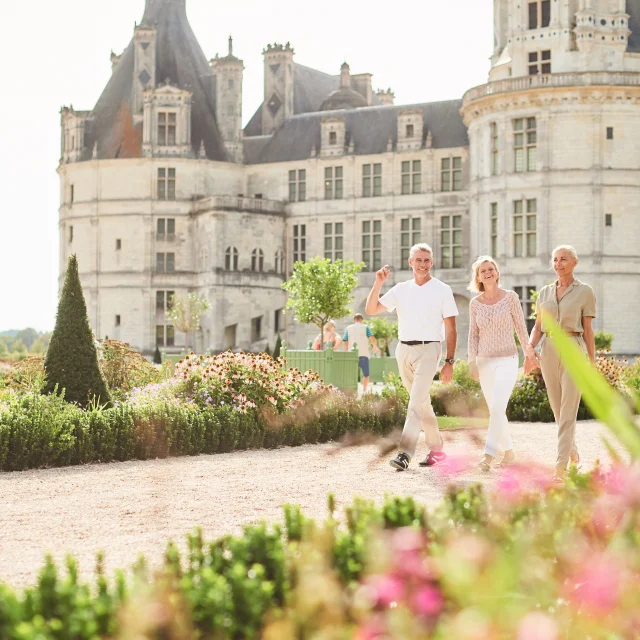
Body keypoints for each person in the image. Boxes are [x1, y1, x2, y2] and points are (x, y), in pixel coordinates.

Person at [365, 243, 458, 470]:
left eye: (426, 260)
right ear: (410, 262)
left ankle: (404, 453)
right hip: (404, 350)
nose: (423, 264)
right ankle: (437, 450)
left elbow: (451, 329)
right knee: (422, 402)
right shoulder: (401, 289)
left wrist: (449, 361)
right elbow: (371, 309)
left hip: (430, 349)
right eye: (418, 260)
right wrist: (378, 282)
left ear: (432, 262)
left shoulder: (442, 290)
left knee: (415, 403)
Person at [527, 245, 596, 480]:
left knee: (568, 410)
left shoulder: (585, 291)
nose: (558, 264)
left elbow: (588, 330)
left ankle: (560, 465)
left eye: (563, 259)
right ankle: (572, 452)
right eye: (555, 259)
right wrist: (529, 347)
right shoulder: (545, 292)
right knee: (557, 409)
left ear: (574, 262)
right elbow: (537, 327)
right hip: (549, 349)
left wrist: (592, 362)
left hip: (574, 348)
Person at [467, 256, 536, 471]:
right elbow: (473, 335)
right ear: (478, 277)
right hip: (484, 362)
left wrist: (529, 353)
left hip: (508, 359)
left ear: (497, 273)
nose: (487, 272)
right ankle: (509, 452)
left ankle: (488, 454)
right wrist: (471, 362)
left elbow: (521, 327)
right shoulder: (475, 303)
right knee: (496, 409)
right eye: (482, 270)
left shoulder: (511, 298)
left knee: (497, 407)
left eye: (491, 269)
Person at [343, 313, 379, 393]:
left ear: (354, 320)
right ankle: (364, 391)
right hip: (364, 354)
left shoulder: (348, 328)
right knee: (366, 374)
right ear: (361, 320)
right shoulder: (366, 327)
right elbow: (372, 338)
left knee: (351, 374)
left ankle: (351, 390)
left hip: (351, 355)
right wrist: (375, 346)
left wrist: (346, 353)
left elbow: (345, 341)